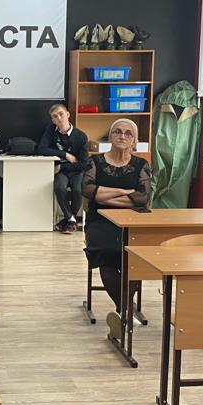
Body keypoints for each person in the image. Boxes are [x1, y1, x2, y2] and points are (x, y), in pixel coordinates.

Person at [81, 119, 152, 333]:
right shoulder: (95, 162)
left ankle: (123, 313)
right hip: (99, 221)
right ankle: (126, 310)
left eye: (128, 133)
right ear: (110, 136)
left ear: (134, 140)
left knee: (137, 257)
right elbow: (88, 190)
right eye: (117, 132)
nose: (122, 136)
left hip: (133, 220)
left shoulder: (141, 165)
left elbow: (143, 198)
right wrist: (125, 193)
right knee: (107, 254)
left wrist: (105, 194)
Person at [37, 103, 90, 233]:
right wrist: (65, 154)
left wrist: (62, 167)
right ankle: (71, 220)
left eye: (61, 114)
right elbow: (41, 149)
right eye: (55, 117)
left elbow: (83, 164)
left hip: (75, 170)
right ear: (53, 120)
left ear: (68, 114)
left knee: (77, 190)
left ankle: (69, 219)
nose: (59, 118)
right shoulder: (51, 131)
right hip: (61, 171)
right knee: (59, 188)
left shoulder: (81, 136)